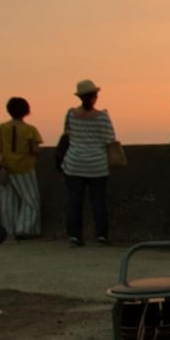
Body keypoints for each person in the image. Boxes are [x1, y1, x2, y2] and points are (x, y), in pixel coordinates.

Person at [60, 79, 116, 247]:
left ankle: (75, 236)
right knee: (98, 201)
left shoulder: (71, 115)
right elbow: (109, 139)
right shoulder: (102, 117)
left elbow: (67, 135)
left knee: (74, 202)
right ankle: (101, 235)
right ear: (94, 97)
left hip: (75, 163)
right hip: (97, 165)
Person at [0, 97, 43, 239]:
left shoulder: (2, 128)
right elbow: (35, 149)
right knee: (31, 200)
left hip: (5, 166)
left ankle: (9, 229)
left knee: (8, 201)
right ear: (26, 111)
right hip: (24, 167)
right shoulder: (30, 129)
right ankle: (24, 229)